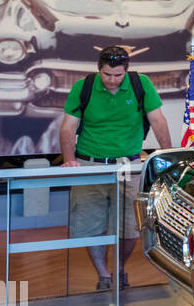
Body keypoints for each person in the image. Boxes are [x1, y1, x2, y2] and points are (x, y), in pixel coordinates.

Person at [59, 45, 172, 291]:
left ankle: (119, 268)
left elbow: (158, 121)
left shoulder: (141, 84)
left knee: (131, 226)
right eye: (107, 75)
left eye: (117, 75)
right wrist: (69, 159)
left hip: (128, 165)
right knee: (92, 225)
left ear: (126, 71)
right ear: (99, 70)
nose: (112, 80)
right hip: (89, 163)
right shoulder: (83, 87)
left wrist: (167, 156)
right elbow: (68, 128)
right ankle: (103, 274)